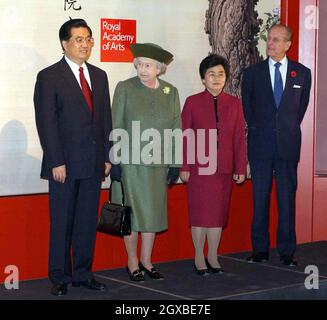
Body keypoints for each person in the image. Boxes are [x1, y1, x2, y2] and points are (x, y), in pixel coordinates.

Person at [34, 18, 112, 296]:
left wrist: (105, 156)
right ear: (64, 44)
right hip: (63, 165)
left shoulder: (100, 76)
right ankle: (60, 277)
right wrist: (56, 160)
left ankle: (82, 273)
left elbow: (104, 120)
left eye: (88, 38)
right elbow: (47, 122)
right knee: (62, 222)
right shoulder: (49, 76)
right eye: (78, 39)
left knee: (86, 222)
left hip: (93, 163)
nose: (85, 44)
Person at [242, 24, 311, 266]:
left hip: (288, 146)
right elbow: (249, 112)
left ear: (288, 44)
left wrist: (283, 129)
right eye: (269, 39)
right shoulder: (251, 74)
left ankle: (286, 252)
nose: (270, 43)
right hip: (261, 146)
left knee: (286, 200)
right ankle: (259, 250)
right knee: (259, 200)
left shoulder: (302, 73)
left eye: (276, 40)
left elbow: (298, 110)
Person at [110, 43, 181, 282]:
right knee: (131, 216)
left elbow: (175, 129)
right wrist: (116, 160)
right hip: (130, 166)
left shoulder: (171, 92)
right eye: (139, 64)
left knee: (152, 214)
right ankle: (132, 262)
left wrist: (175, 163)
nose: (142, 69)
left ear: (159, 68)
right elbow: (116, 125)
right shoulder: (125, 88)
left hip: (157, 165)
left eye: (148, 65)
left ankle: (147, 261)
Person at [180, 54, 246, 275]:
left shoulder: (234, 103)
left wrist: (240, 167)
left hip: (224, 169)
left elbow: (238, 138)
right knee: (200, 215)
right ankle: (199, 255)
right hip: (199, 168)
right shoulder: (192, 102)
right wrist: (185, 166)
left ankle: (213, 255)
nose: (216, 78)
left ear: (226, 78)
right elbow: (185, 136)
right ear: (203, 78)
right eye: (211, 74)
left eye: (220, 74)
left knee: (217, 215)